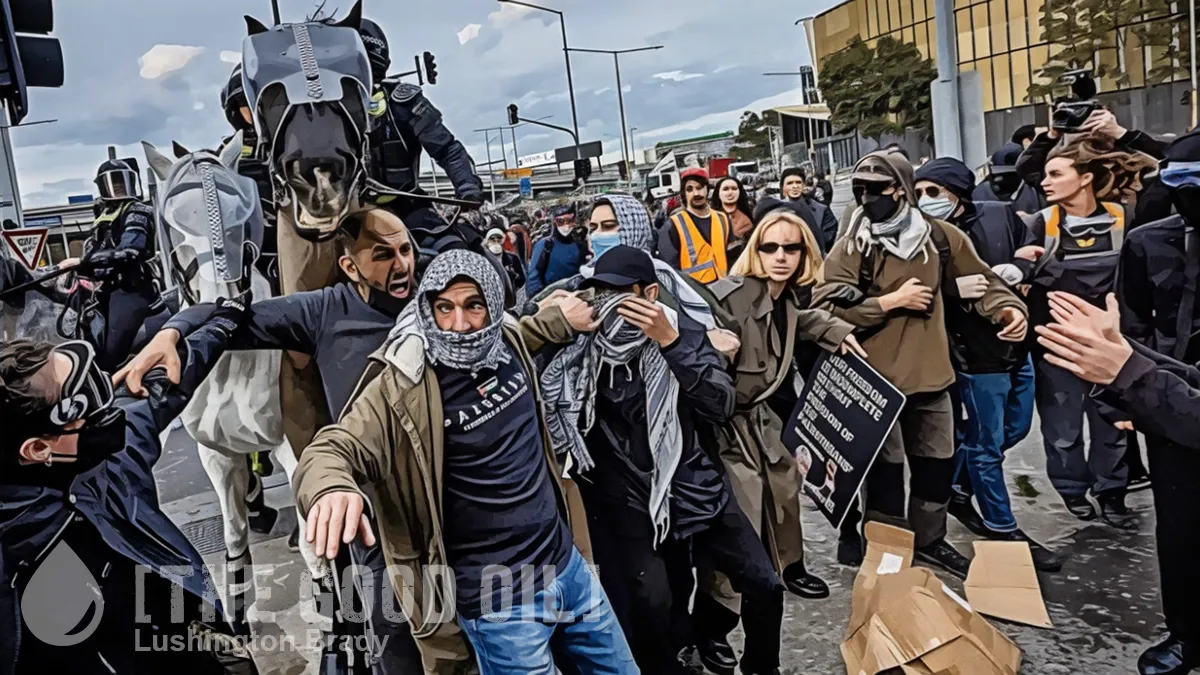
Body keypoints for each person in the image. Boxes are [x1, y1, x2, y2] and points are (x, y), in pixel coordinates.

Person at [293, 250, 635, 675]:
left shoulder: (506, 342)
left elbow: (528, 330)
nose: (459, 325)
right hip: (500, 608)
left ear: (493, 305)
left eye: (474, 305)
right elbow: (335, 446)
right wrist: (330, 487)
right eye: (444, 308)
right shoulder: (403, 384)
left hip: (569, 572)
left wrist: (565, 320)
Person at [540, 245, 780, 675]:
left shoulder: (682, 334)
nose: (608, 304)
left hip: (692, 488)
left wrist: (671, 342)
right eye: (598, 293)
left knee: (763, 583)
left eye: (620, 294)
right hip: (625, 501)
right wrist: (548, 318)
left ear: (650, 294)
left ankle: (760, 665)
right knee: (651, 603)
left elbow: (719, 405)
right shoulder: (576, 350)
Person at [0, 305, 257, 674]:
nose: (106, 412)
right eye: (82, 408)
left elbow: (168, 377)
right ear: (38, 448)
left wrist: (182, 329)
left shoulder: (110, 458)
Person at [813, 149, 1028, 577]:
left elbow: (983, 280)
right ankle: (887, 551)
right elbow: (824, 308)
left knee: (936, 468)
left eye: (878, 189)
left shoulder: (940, 237)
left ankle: (930, 540)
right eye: (860, 190)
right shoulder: (854, 243)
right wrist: (886, 303)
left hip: (932, 379)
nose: (867, 199)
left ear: (901, 190)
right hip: (875, 383)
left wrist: (1008, 310)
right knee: (885, 480)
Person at [696, 211, 864, 675]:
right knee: (739, 532)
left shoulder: (785, 297)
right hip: (726, 428)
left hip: (762, 422)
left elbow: (797, 319)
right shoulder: (732, 296)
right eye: (770, 247)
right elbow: (696, 350)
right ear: (755, 251)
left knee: (784, 499)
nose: (781, 257)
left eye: (791, 248)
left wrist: (834, 330)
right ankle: (712, 624)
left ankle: (788, 569)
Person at [912, 158, 1063, 572]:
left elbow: (1033, 257)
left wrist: (1022, 269)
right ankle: (1003, 526)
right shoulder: (923, 237)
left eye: (933, 192)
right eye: (919, 192)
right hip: (972, 356)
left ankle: (957, 486)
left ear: (958, 192)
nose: (925, 201)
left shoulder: (1000, 216)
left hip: (1015, 344)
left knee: (1013, 430)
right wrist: (949, 289)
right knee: (986, 446)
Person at [1017, 132, 1157, 528]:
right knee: (1063, 431)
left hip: (1111, 342)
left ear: (1085, 178)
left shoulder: (1124, 216)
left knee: (1112, 423)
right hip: (1058, 344)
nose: (1044, 182)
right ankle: (1072, 489)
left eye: (1055, 173)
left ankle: (1111, 493)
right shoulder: (1039, 224)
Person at [1112, 130, 1200, 675]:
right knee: (1181, 530)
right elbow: (1128, 325)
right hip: (1165, 398)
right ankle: (1187, 634)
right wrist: (1124, 398)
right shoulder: (1148, 242)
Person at [358, 19, 484, 239]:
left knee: (462, 249)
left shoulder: (404, 100)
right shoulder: (326, 107)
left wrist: (467, 188)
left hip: (407, 209)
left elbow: (447, 150)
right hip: (347, 216)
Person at [72, 159, 161, 372]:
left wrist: (82, 262)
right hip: (103, 290)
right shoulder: (102, 215)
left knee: (110, 354)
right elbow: (94, 250)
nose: (118, 185)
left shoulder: (138, 210)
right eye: (112, 181)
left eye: (122, 179)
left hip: (131, 289)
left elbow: (129, 252)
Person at [221, 63, 278, 292]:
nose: (253, 110)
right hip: (254, 246)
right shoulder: (228, 150)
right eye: (246, 103)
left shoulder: (296, 140)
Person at [659, 168, 732, 284]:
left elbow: (733, 255)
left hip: (725, 288)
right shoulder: (673, 225)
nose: (696, 193)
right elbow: (670, 269)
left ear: (707, 189)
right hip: (695, 294)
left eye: (700, 188)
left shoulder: (722, 218)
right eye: (690, 189)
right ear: (684, 193)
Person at [972, 143, 1045, 217]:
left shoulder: (1034, 193)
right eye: (996, 174)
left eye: (1007, 174)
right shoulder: (978, 194)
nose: (998, 179)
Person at [527, 213, 589, 296]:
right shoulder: (545, 244)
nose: (566, 226)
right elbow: (534, 276)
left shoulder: (579, 245)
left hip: (574, 296)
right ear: (554, 222)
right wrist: (537, 300)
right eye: (561, 221)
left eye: (569, 221)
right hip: (550, 297)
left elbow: (582, 272)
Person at [780, 167, 838, 252]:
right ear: (783, 188)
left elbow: (830, 238)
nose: (795, 186)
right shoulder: (775, 211)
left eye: (798, 182)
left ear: (803, 185)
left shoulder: (821, 210)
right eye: (790, 183)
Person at [712, 176, 755, 261]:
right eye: (725, 189)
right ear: (718, 193)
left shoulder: (749, 218)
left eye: (734, 188)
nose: (730, 192)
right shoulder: (711, 218)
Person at [487, 226, 527, 299]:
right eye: (492, 239)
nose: (496, 241)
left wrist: (515, 277)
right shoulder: (484, 259)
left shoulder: (512, 258)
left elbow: (522, 280)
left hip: (511, 296)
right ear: (488, 241)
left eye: (498, 239)